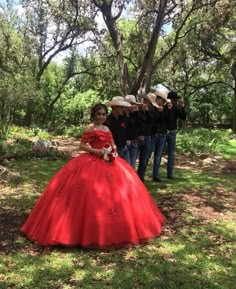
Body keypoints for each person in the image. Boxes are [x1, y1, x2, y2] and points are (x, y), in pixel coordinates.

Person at [21, 103, 165, 249]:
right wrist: (96, 152)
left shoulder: (107, 128)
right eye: (99, 114)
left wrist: (113, 151)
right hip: (92, 160)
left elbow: (112, 143)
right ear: (94, 115)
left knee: (119, 192)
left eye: (103, 114)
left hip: (110, 161)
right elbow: (82, 145)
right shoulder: (91, 128)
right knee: (89, 195)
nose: (101, 117)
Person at [166, 91, 186, 179]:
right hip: (163, 133)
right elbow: (165, 117)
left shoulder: (177, 108)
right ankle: (156, 175)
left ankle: (170, 174)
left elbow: (183, 117)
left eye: (175, 100)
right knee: (157, 154)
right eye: (173, 100)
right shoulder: (164, 107)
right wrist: (169, 108)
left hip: (173, 132)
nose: (174, 101)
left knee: (171, 154)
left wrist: (182, 107)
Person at [105, 96, 131, 163]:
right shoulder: (107, 120)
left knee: (127, 169)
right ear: (115, 107)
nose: (123, 109)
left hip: (124, 148)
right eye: (121, 107)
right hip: (114, 150)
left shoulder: (124, 118)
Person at [152, 88, 168, 182]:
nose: (162, 102)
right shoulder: (152, 108)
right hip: (153, 135)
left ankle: (156, 175)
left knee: (158, 156)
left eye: (163, 101)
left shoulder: (165, 109)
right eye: (161, 100)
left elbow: (166, 120)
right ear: (158, 99)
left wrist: (162, 112)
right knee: (146, 156)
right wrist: (158, 112)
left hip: (162, 134)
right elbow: (152, 121)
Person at [124, 95, 143, 168]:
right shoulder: (123, 115)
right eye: (130, 104)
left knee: (132, 166)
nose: (132, 106)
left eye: (133, 104)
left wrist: (136, 112)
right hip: (126, 143)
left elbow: (140, 124)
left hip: (135, 142)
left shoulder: (135, 115)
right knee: (126, 166)